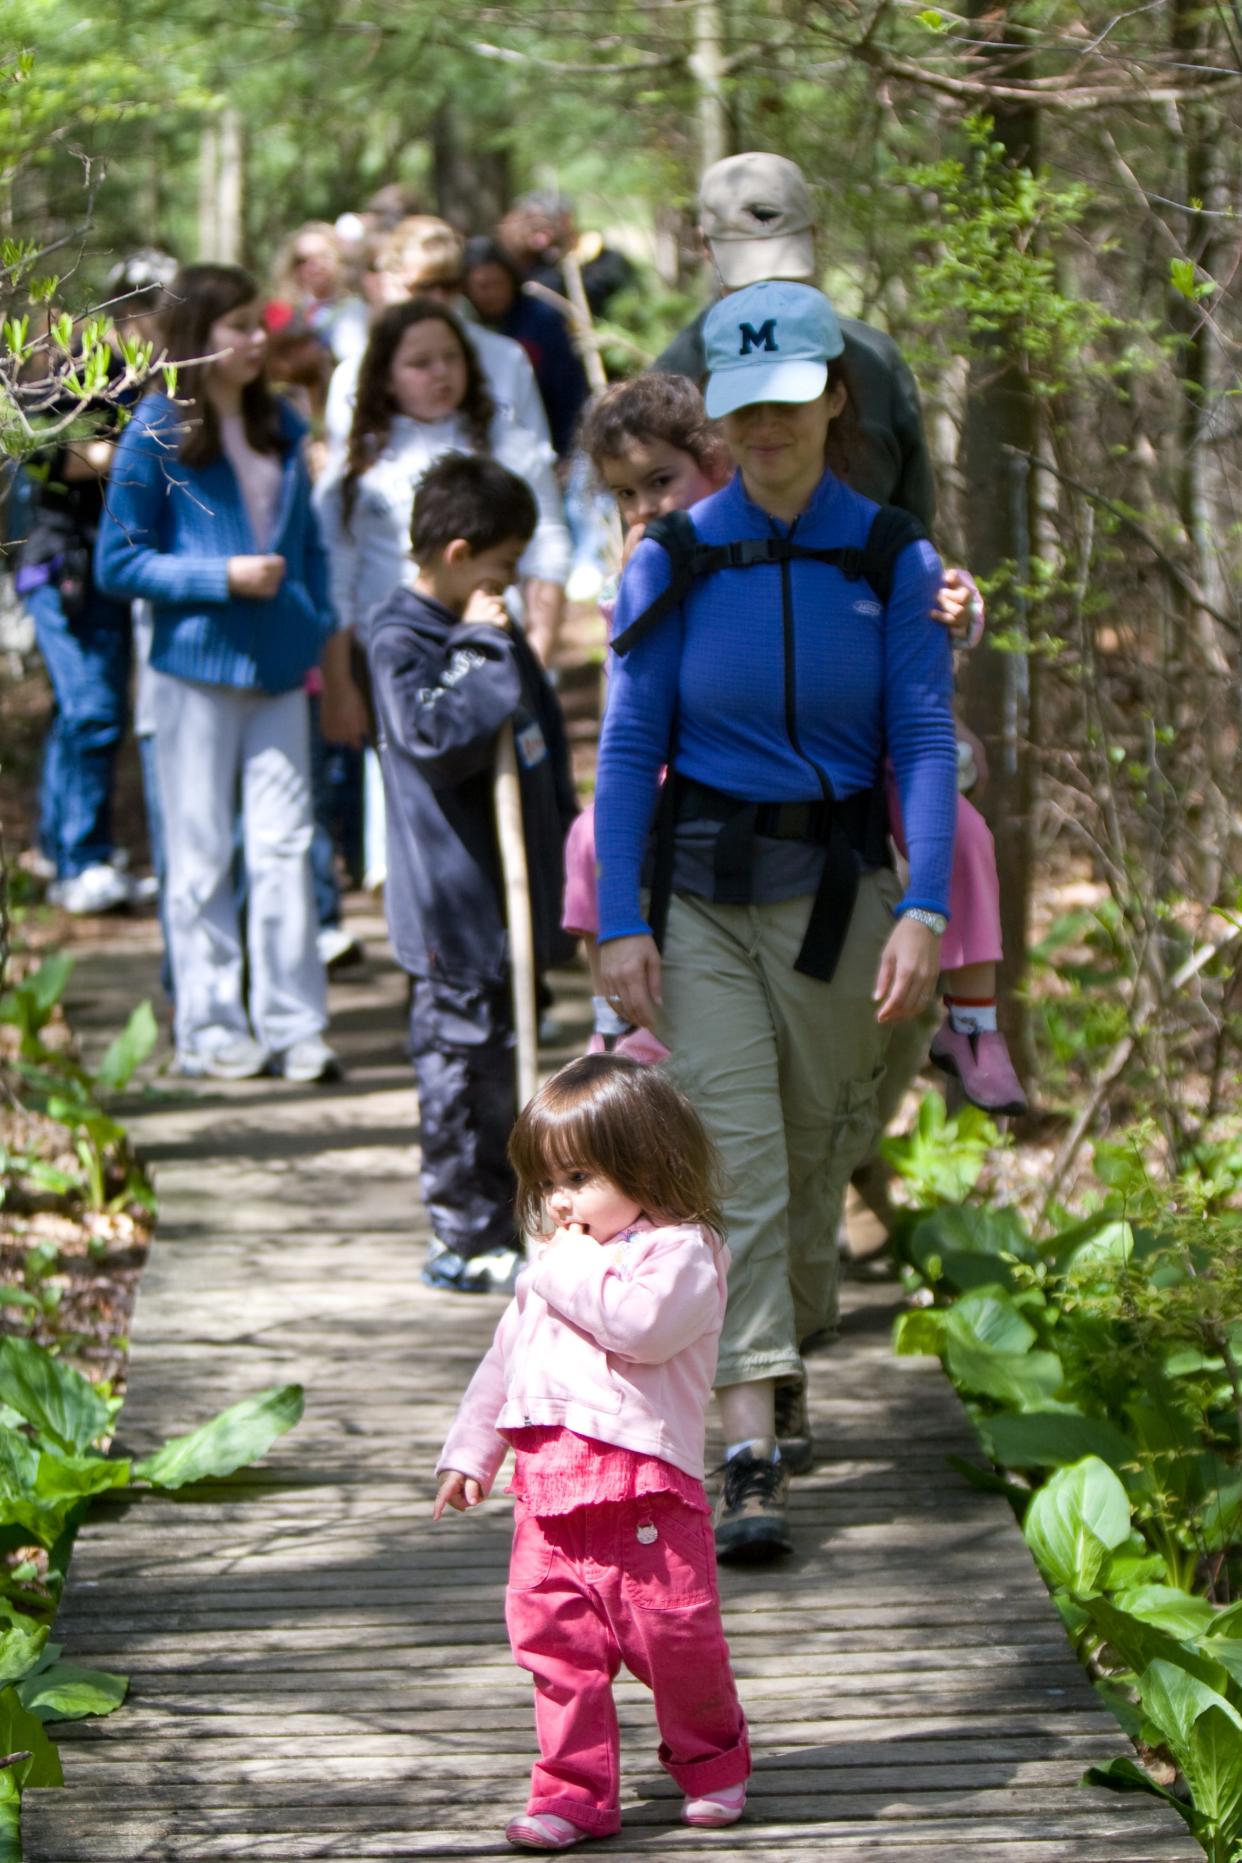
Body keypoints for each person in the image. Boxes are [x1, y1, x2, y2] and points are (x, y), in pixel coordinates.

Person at [595, 281, 959, 1561]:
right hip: (699, 903)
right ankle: (745, 1442)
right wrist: (619, 920)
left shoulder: (892, 555)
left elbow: (921, 734)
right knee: (736, 1161)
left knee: (820, 1144)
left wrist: (924, 905)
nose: (766, 428)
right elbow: (631, 740)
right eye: (744, 407)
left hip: (841, 899)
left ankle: (789, 1335)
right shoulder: (674, 557)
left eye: (789, 402)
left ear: (832, 401)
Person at [655, 150, 1024, 1117]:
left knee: (962, 829)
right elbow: (646, 522)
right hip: (720, 699)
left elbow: (919, 538)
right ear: (707, 249)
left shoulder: (871, 359)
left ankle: (964, 1021)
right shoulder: (680, 370)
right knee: (612, 834)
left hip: (867, 679)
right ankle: (641, 1022)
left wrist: (947, 618)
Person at [434, 1053, 750, 1850]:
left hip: (644, 1495)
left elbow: (639, 1328)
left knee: (675, 1642)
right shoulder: (550, 1269)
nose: (559, 1202)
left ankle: (713, 1760)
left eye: (577, 1177)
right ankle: (573, 1793)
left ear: (646, 1162)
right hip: (549, 1497)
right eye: (547, 1185)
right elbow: (504, 1361)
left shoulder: (682, 1253)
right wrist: (472, 1450)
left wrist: (567, 1265)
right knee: (555, 1647)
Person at [95, 262, 341, 1083]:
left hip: (279, 665)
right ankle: (207, 1026)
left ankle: (294, 1025)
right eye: (235, 324)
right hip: (191, 669)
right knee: (199, 856)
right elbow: (117, 563)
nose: (254, 339)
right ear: (196, 336)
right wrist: (218, 577)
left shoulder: (284, 424)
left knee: (284, 847)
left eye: (256, 322)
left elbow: (306, 550)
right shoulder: (156, 429)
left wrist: (311, 623)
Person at [366, 453, 576, 1295]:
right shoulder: (402, 638)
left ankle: (502, 1212)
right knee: (460, 1075)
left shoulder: (487, 626)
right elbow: (437, 734)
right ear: (457, 555)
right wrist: (483, 640)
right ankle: (463, 1232)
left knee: (499, 1066)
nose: (512, 586)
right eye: (502, 568)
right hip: (451, 908)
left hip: (505, 898)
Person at [463, 235, 590, 461]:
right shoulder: (464, 327)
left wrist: (567, 451)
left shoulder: (542, 320)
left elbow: (568, 387)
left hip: (546, 435)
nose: (491, 294)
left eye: (498, 283)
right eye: (482, 286)